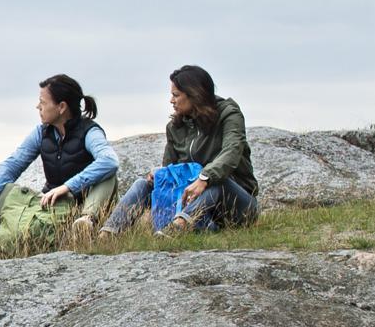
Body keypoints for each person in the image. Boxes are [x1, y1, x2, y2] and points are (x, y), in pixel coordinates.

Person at [0, 74, 120, 255]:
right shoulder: (42, 133)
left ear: (61, 107)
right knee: (4, 187)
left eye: (43, 102)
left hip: (83, 201)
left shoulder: (89, 131)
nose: (38, 107)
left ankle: (84, 224)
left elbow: (109, 160)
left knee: (108, 176)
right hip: (53, 203)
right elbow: (13, 164)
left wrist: (68, 187)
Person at [103, 64, 260, 235]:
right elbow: (170, 174)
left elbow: (232, 150)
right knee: (143, 184)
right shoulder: (175, 127)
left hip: (236, 207)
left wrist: (204, 178)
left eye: (176, 95)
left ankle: (178, 227)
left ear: (195, 94)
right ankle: (108, 233)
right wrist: (160, 175)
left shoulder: (229, 115)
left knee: (217, 181)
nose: (171, 101)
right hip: (198, 210)